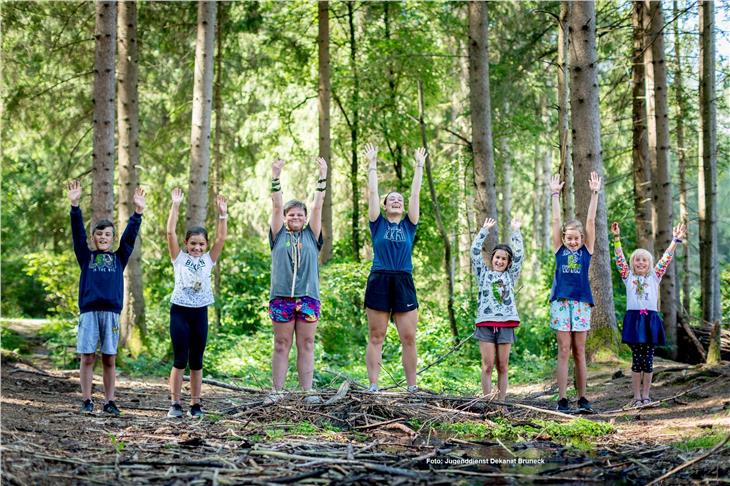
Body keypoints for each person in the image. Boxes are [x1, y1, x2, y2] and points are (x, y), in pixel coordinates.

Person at [68, 180, 145, 416]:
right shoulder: (86, 256)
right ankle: (87, 400)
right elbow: (78, 235)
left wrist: (138, 213)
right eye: (99, 234)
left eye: (108, 235)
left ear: (112, 238)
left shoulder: (118, 257)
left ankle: (110, 401)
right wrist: (75, 206)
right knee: (88, 357)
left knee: (109, 359)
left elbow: (130, 238)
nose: (103, 238)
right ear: (94, 238)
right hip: (89, 313)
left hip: (111, 314)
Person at [265, 156, 328, 405]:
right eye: (291, 214)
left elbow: (317, 207)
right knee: (281, 344)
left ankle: (307, 392)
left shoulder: (312, 236)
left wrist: (322, 176)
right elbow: (275, 205)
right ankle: (277, 391)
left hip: (308, 297)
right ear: (285, 217)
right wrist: (276, 174)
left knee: (307, 343)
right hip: (281, 298)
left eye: (299, 214)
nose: (295, 217)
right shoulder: (278, 235)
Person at [363, 143, 426, 393]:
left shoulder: (409, 224)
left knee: (408, 337)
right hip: (380, 279)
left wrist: (419, 166)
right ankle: (374, 385)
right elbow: (372, 190)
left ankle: (412, 387)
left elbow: (415, 195)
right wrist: (372, 164)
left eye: (399, 199)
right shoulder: (377, 222)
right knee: (376, 336)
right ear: (384, 205)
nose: (397, 201)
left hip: (403, 280)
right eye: (392, 199)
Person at [165, 188, 227, 418]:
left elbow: (221, 238)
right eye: (193, 244)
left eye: (201, 244)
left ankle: (196, 404)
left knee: (197, 360)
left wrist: (223, 215)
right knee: (180, 358)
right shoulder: (178, 258)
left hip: (200, 312)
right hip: (180, 312)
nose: (197, 248)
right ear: (186, 243)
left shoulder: (209, 260)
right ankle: (175, 404)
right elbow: (170, 232)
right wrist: (175, 205)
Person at [611, 221, 686, 407]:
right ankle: (636, 396)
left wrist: (675, 240)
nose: (641, 263)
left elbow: (666, 258)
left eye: (645, 260)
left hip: (650, 320)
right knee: (637, 360)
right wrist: (616, 238)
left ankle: (646, 395)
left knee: (649, 360)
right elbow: (619, 258)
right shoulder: (628, 277)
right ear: (632, 263)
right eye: (637, 260)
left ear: (650, 264)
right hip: (635, 322)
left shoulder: (655, 276)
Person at [549, 172, 601, 413]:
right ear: (563, 238)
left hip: (581, 303)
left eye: (576, 239)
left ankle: (582, 398)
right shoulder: (559, 249)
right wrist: (554, 195)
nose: (572, 242)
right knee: (563, 350)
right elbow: (555, 221)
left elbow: (590, 222)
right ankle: (561, 399)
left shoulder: (586, 251)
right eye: (568, 238)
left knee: (580, 351)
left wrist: (594, 193)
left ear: (582, 239)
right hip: (561, 303)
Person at [471, 217, 524, 400]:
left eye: (504, 259)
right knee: (487, 365)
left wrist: (516, 232)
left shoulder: (511, 276)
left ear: (508, 263)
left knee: (503, 366)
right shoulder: (483, 274)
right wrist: (484, 231)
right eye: (497, 257)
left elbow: (520, 256)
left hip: (506, 324)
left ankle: (501, 403)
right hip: (485, 323)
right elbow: (474, 252)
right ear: (492, 258)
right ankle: (487, 402)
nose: (500, 261)